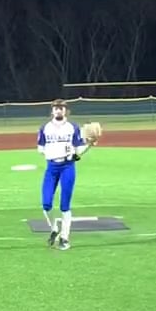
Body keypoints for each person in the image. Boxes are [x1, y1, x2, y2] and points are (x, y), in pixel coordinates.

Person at [36, 100, 97, 251]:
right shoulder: (45, 128)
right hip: (51, 167)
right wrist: (53, 153)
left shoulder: (73, 127)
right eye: (56, 108)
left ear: (66, 111)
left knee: (65, 205)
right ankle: (54, 229)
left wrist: (89, 144)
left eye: (61, 108)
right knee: (46, 204)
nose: (58, 110)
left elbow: (78, 150)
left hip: (67, 167)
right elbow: (40, 148)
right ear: (52, 111)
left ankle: (65, 238)